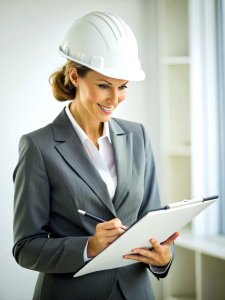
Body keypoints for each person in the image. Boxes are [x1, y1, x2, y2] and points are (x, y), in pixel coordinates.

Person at [13, 11, 179, 300]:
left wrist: (164, 258)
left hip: (136, 292)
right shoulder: (39, 146)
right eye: (104, 85)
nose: (114, 100)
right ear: (75, 76)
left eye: (123, 86)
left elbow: (153, 219)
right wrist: (89, 246)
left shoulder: (137, 136)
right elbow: (26, 248)